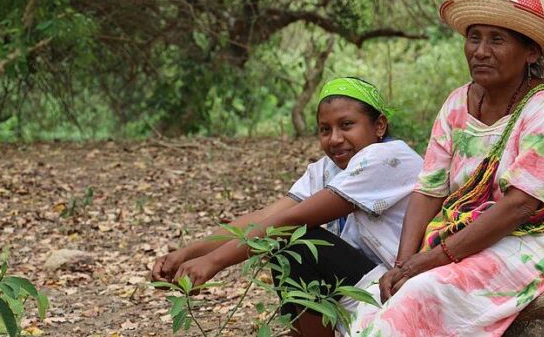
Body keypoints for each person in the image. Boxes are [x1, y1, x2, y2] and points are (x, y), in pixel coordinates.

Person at [347, 0, 544, 336]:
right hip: (459, 236)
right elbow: (429, 190)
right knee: (376, 299)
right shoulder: (457, 104)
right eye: (474, 37)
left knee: (421, 294)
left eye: (497, 40)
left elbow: (518, 208)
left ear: (531, 52)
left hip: (534, 245)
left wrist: (427, 262)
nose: (480, 51)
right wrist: (402, 263)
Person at [151, 77, 423, 336]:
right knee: (286, 246)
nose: (335, 138)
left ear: (379, 126)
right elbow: (266, 216)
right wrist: (187, 254)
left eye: (347, 125)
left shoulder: (387, 157)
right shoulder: (327, 169)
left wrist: (214, 261)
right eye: (325, 129)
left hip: (400, 285)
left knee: (298, 241)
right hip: (367, 284)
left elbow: (292, 221)